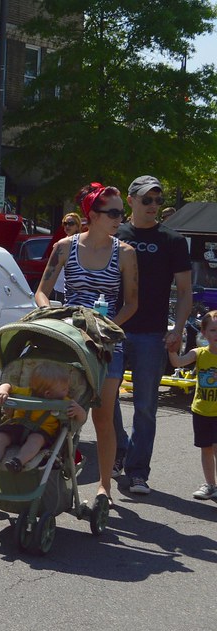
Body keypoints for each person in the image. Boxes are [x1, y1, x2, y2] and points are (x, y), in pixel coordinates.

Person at [35, 182, 138, 499]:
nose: (120, 218)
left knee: (102, 417)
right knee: (59, 411)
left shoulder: (126, 253)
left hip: (107, 344)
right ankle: (49, 477)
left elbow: (132, 304)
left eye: (122, 212)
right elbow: (41, 292)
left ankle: (104, 487)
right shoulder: (64, 247)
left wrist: (106, 327)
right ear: (92, 215)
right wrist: (53, 314)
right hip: (70, 339)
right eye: (113, 212)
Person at [113, 175, 192, 495]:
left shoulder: (172, 240)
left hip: (152, 333)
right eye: (147, 200)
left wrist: (178, 329)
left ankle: (137, 471)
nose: (154, 206)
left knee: (146, 406)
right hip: (113, 330)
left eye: (158, 200)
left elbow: (185, 291)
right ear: (131, 201)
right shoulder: (116, 234)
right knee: (103, 399)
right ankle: (121, 446)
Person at [0, 363, 87, 480]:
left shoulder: (65, 402)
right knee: (0, 437)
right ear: (48, 394)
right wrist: (3, 391)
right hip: (17, 426)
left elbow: (81, 420)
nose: (68, 391)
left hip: (42, 432)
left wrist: (79, 411)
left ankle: (18, 461)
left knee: (35, 441)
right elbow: (8, 385)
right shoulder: (26, 392)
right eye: (64, 389)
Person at [167, 310, 217, 500]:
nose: (216, 334)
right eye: (212, 330)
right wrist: (172, 349)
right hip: (201, 410)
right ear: (203, 333)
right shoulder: (199, 353)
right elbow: (178, 362)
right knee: (206, 448)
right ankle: (210, 485)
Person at [51, 212, 84, 301]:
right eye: (65, 223)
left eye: (71, 224)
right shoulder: (60, 243)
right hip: (60, 286)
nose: (67, 226)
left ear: (77, 226)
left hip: (76, 287)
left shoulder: (82, 244)